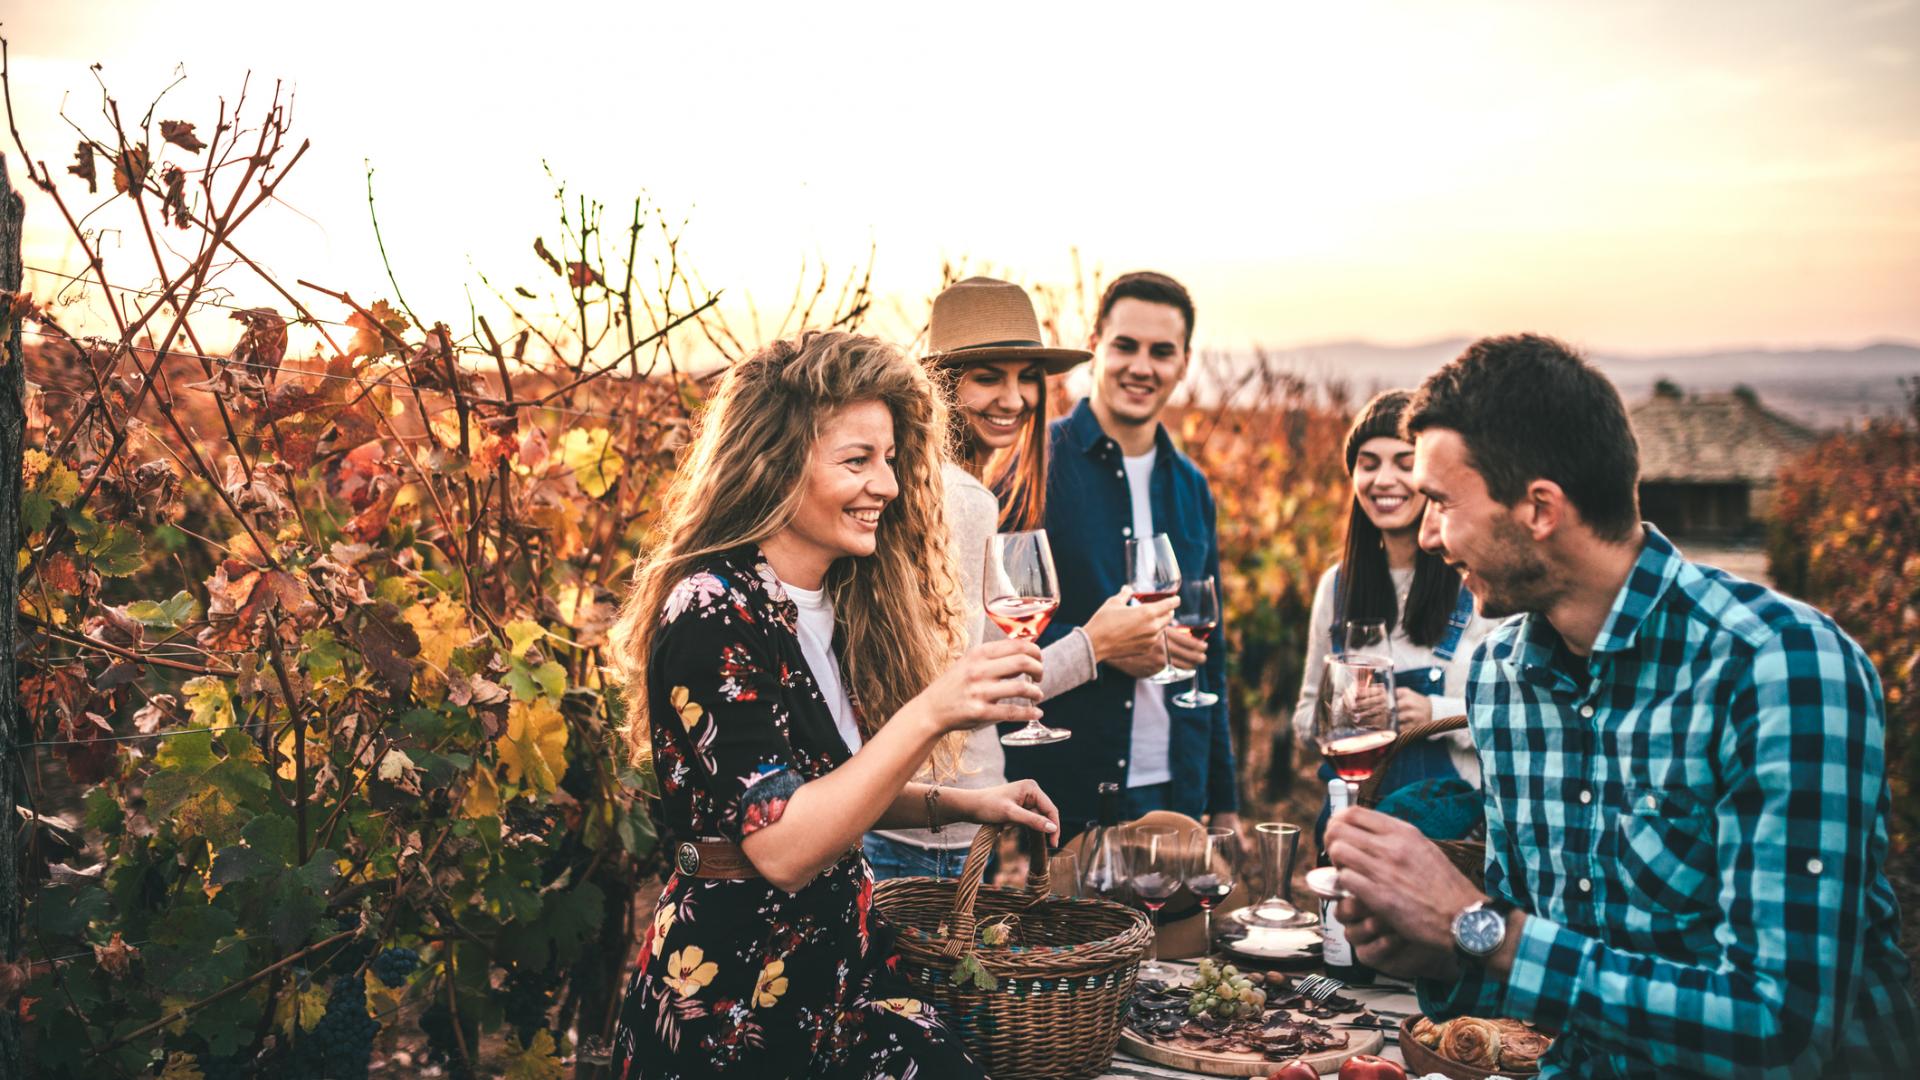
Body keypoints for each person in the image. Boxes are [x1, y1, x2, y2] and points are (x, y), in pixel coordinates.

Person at [1325, 334, 1918, 1077]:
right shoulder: (1500, 681)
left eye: (1442, 502)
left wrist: (1476, 927)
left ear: (1539, 508)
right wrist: (1440, 955)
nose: (1428, 534)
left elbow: (1782, 1029)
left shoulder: (1778, 668)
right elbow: (1535, 971)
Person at [607, 331, 1065, 1079]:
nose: (884, 485)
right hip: (736, 1002)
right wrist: (933, 711)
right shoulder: (711, 607)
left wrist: (961, 802)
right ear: (774, 462)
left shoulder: (835, 599)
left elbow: (823, 793)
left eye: (889, 459)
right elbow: (783, 846)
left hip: (836, 975)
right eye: (857, 461)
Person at [864, 277, 1176, 879]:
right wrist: (1096, 645)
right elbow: (965, 694)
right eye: (989, 377)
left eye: (1026, 376)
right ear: (942, 384)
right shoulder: (961, 497)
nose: (1014, 398)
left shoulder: (921, 485)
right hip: (928, 828)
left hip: (919, 816)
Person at [1006, 270, 1238, 834]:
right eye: (1126, 346)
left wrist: (1224, 795)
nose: (1142, 367)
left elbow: (1215, 650)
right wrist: (1104, 649)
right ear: (1096, 346)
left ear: (1183, 363)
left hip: (1173, 777)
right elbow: (1000, 632)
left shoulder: (1191, 486)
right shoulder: (1034, 466)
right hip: (1062, 787)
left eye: (1162, 352)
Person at [1293, 389, 1499, 844]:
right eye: (1369, 463)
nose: (1384, 479)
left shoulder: (1479, 581)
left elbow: (1517, 719)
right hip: (1353, 829)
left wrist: (1432, 712)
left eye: (1404, 463)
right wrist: (1342, 714)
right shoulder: (1337, 587)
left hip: (1451, 840)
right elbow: (1306, 719)